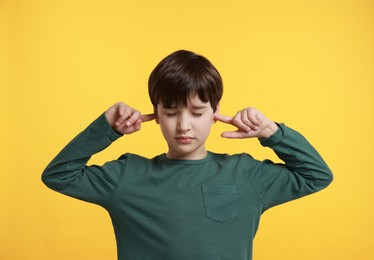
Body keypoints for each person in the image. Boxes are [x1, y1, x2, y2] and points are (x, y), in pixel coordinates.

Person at [42, 50, 333, 260]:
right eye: (170, 113)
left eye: (197, 112)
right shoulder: (127, 175)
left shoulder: (244, 174)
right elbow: (59, 176)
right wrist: (106, 126)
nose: (183, 125)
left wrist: (272, 132)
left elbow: (316, 175)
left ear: (215, 113)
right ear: (156, 114)